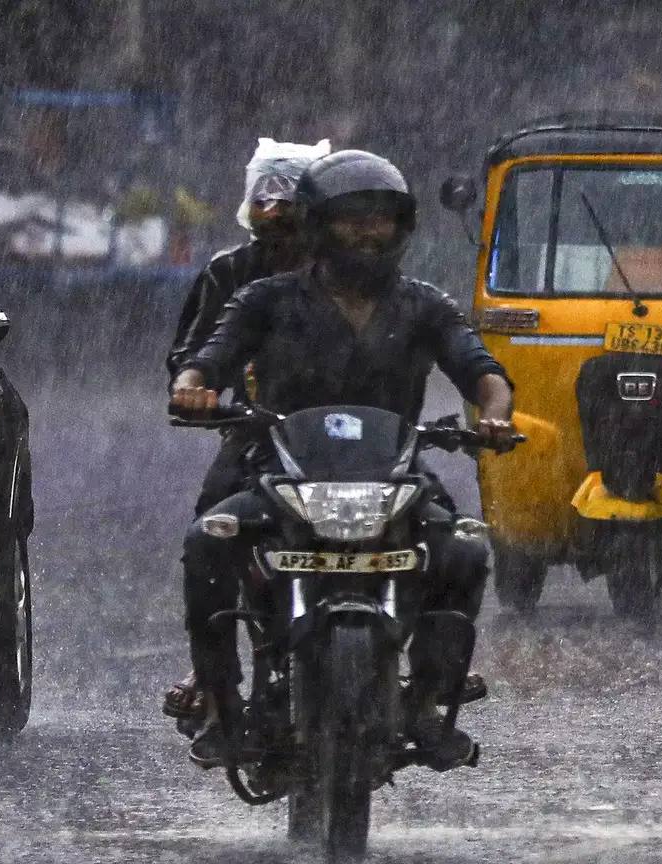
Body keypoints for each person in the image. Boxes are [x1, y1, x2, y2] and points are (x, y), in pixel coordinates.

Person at [170, 149, 516, 768]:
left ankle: (430, 699)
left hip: (397, 472)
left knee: (463, 548)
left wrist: (493, 413)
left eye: (383, 219)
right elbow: (210, 356)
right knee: (207, 542)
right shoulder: (265, 300)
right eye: (353, 217)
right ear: (317, 225)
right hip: (274, 467)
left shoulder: (426, 305)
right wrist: (192, 385)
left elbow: (482, 370)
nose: (369, 232)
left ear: (403, 228)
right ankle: (222, 703)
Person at [160, 138, 329, 734]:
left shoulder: (358, 276)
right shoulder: (231, 275)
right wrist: (197, 385)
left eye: (294, 199)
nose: (280, 213)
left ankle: (423, 663)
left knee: (433, 527)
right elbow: (196, 353)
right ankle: (213, 675)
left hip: (361, 439)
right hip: (265, 436)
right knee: (211, 530)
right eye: (269, 198)